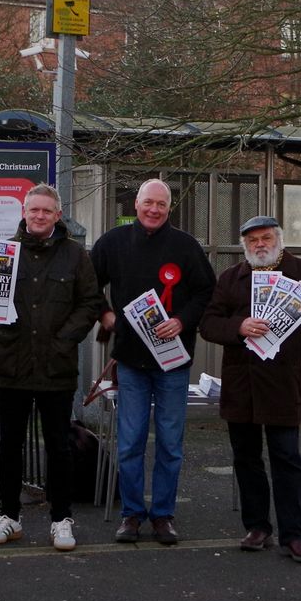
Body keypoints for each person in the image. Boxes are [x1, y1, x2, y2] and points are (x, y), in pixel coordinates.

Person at [0, 184, 103, 552]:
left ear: (57, 215)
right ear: (24, 212)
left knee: (59, 447)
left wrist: (64, 340)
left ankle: (61, 520)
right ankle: (9, 516)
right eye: (34, 210)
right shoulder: (3, 254)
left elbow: (90, 303)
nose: (40, 216)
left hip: (56, 368)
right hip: (11, 365)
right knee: (9, 446)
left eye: (47, 211)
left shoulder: (76, 256)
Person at [199, 215, 301, 563]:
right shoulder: (231, 278)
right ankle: (257, 526)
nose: (261, 244)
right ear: (244, 246)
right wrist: (239, 326)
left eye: (267, 238)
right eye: (253, 240)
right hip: (241, 382)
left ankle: (295, 535)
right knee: (246, 458)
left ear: (279, 240)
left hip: (282, 381)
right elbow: (209, 324)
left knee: (286, 458)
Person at [91, 178, 216, 544]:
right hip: (130, 360)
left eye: (161, 204)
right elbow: (86, 283)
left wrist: (183, 320)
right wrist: (104, 314)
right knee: (129, 442)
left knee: (170, 443)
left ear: (169, 208)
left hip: (173, 363)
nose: (154, 210)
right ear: (136, 203)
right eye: (148, 203)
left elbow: (207, 291)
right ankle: (131, 514)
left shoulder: (185, 246)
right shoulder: (112, 243)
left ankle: (163, 515)